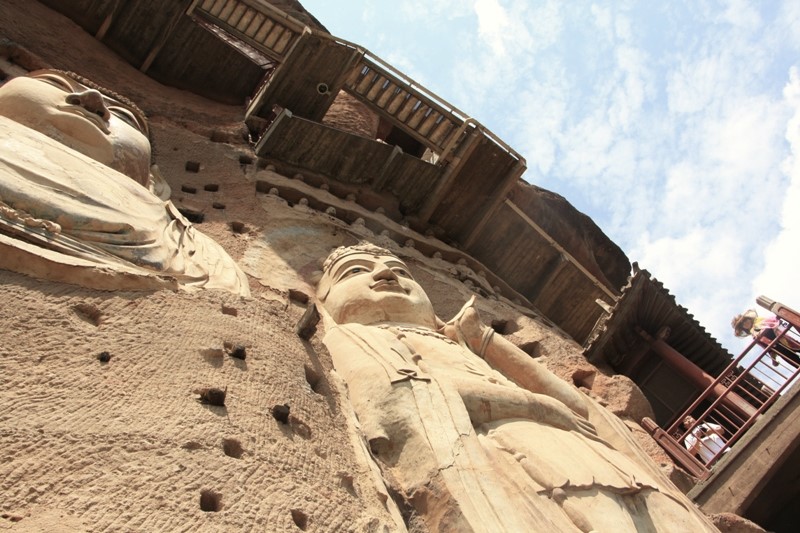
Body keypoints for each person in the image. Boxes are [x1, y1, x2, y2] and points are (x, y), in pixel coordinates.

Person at [317, 243, 716, 532]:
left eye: (401, 270)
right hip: (515, 455)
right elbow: (397, 401)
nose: (386, 275)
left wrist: (487, 342)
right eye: (355, 272)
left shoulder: (459, 340)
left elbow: (578, 408)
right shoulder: (357, 338)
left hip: (588, 450)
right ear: (327, 301)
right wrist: (535, 407)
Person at [0, 69, 249, 295]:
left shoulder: (197, 254)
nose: (92, 100)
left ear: (154, 182)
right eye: (54, 83)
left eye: (124, 118)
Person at [732, 309, 800, 367]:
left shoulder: (760, 321)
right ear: (743, 328)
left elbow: (774, 321)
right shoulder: (754, 336)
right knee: (794, 361)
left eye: (745, 320)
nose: (745, 323)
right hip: (777, 348)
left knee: (797, 346)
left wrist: (762, 329)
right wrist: (773, 358)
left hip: (783, 339)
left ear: (749, 319)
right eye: (742, 324)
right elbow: (766, 347)